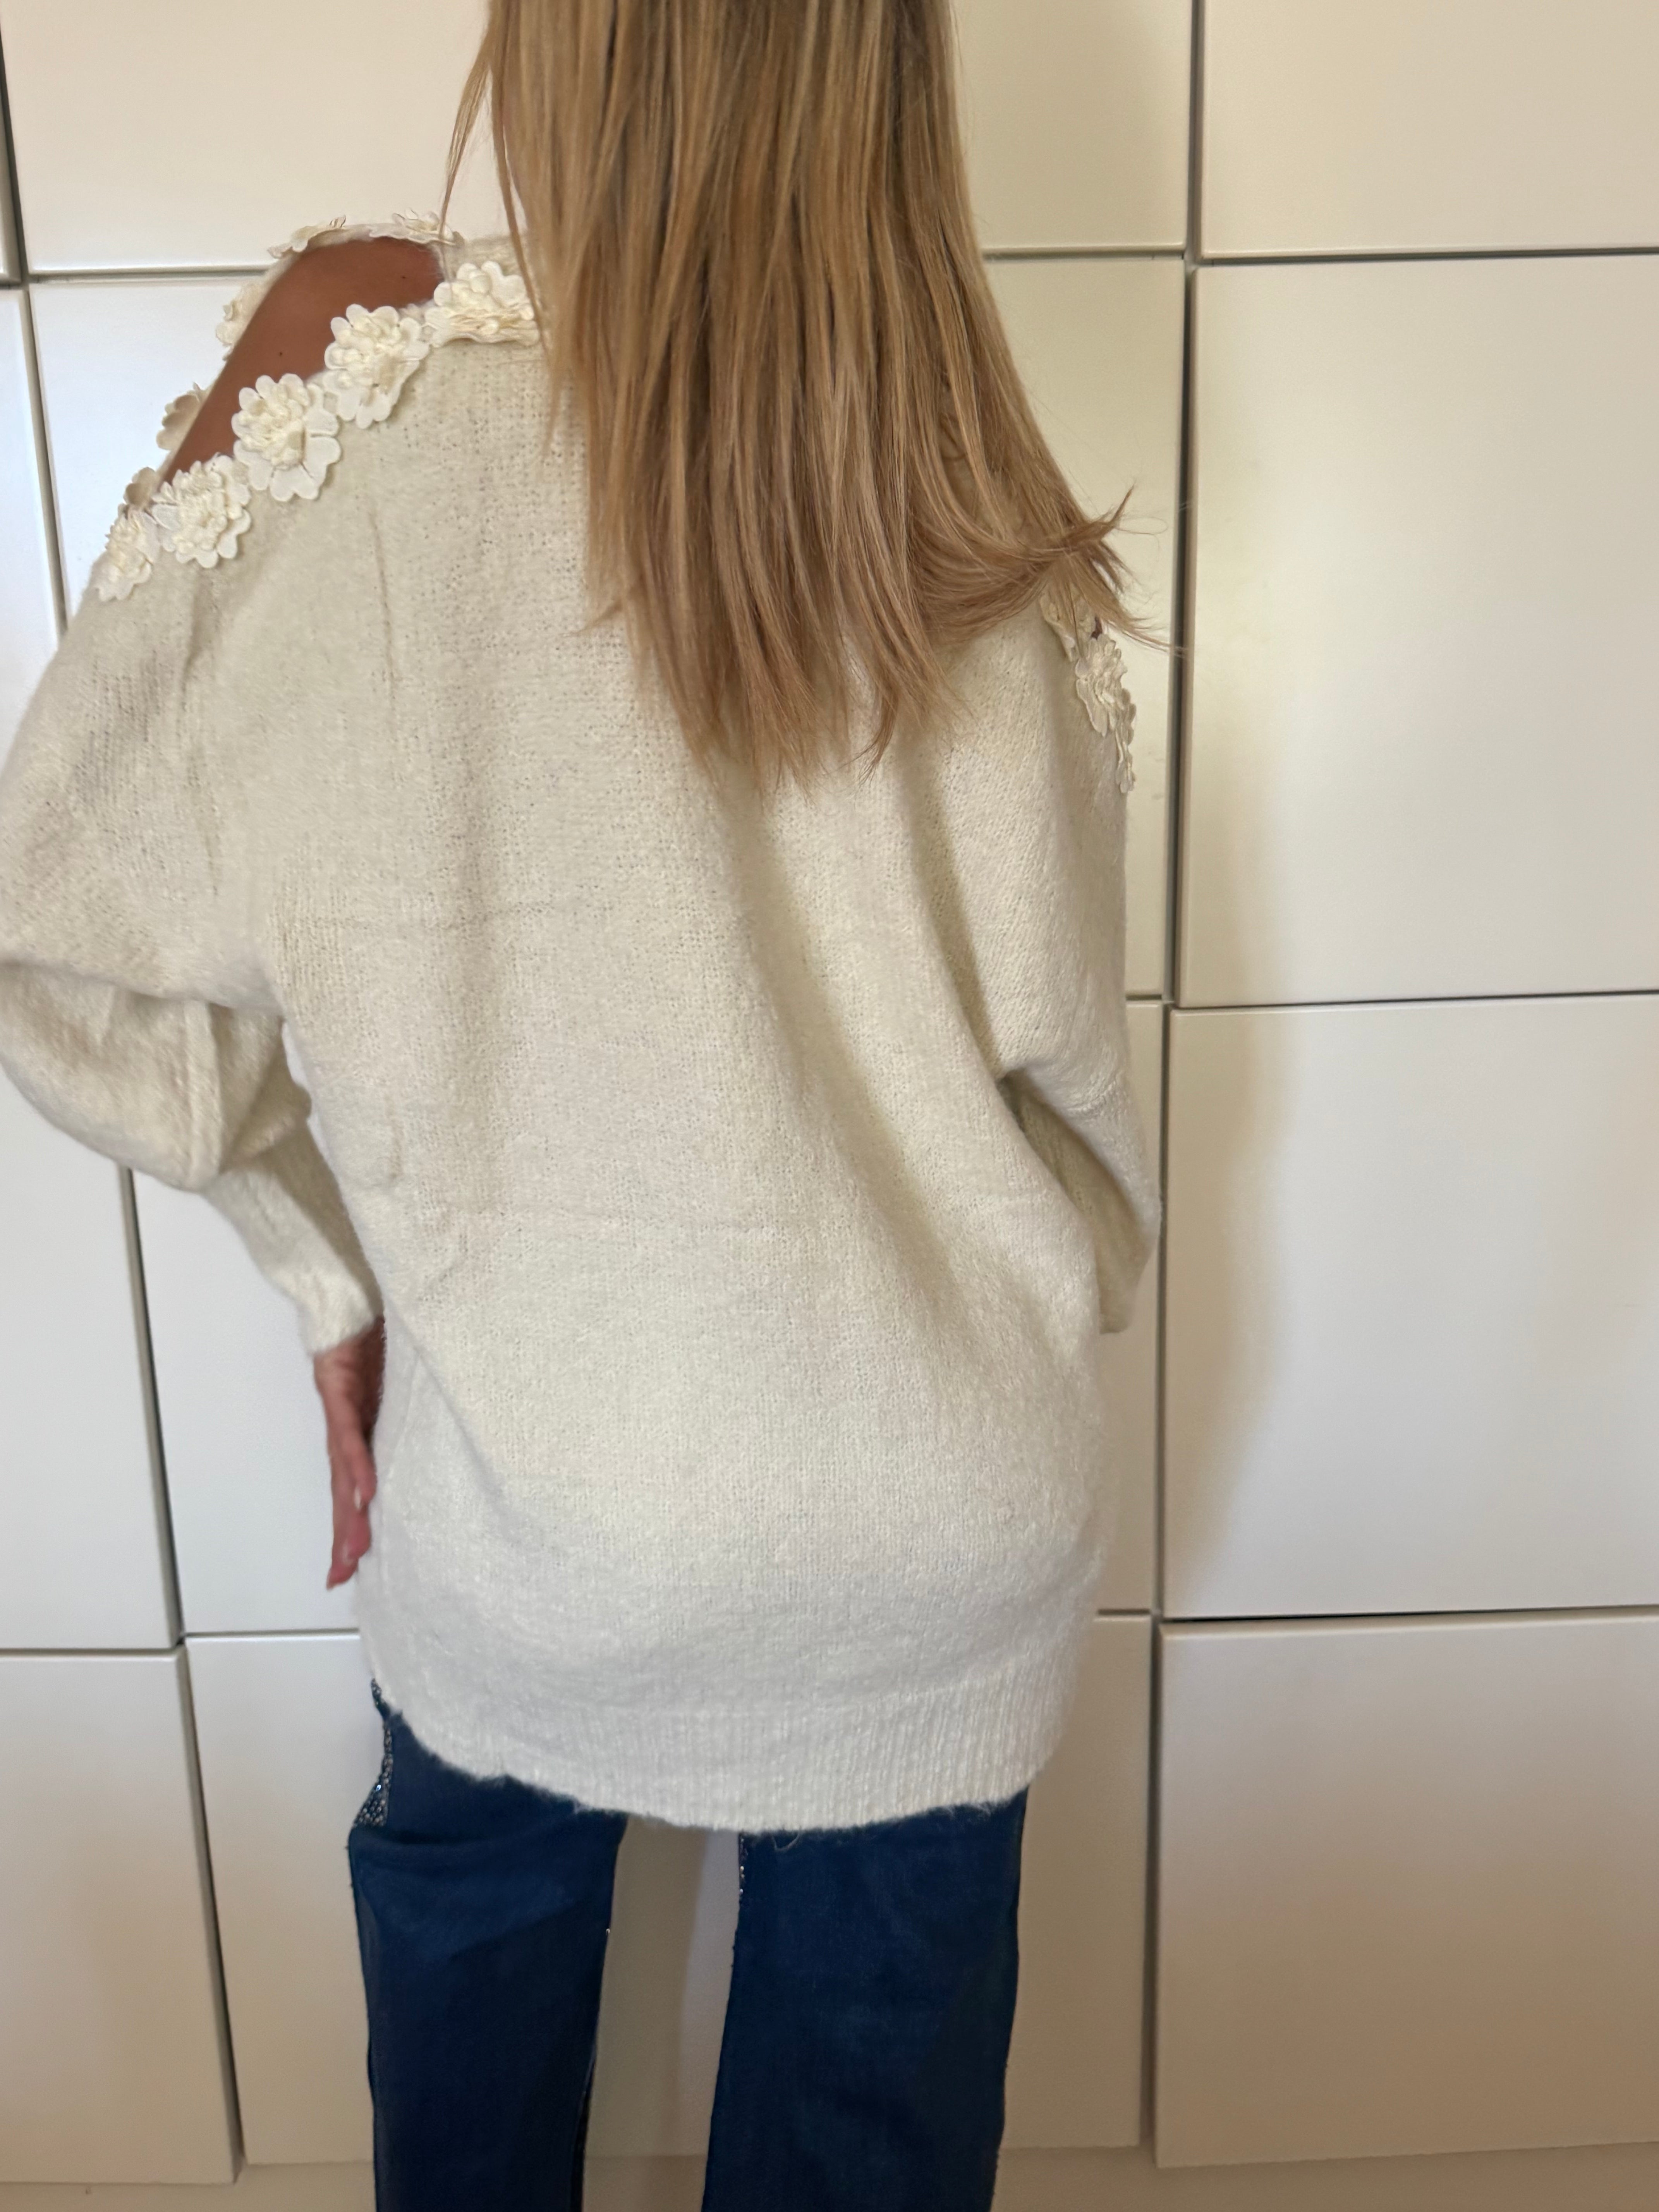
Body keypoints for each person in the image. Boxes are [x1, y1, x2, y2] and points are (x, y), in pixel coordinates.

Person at [0, 2, 1160, 2205]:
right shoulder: (977, 505)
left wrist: (332, 1275)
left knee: (467, 2099)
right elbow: (1076, 1127)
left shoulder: (357, 380)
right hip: (943, 1534)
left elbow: (62, 933)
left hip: (531, 1522)